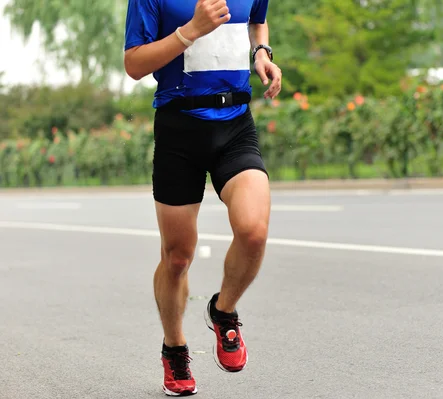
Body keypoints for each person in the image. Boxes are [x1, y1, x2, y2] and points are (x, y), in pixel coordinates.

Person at [123, 0, 281, 395]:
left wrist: (261, 52)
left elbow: (257, 20)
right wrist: (189, 30)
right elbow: (135, 64)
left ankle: (223, 310)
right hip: (179, 129)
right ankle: (174, 347)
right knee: (177, 256)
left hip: (236, 125)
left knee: (254, 232)